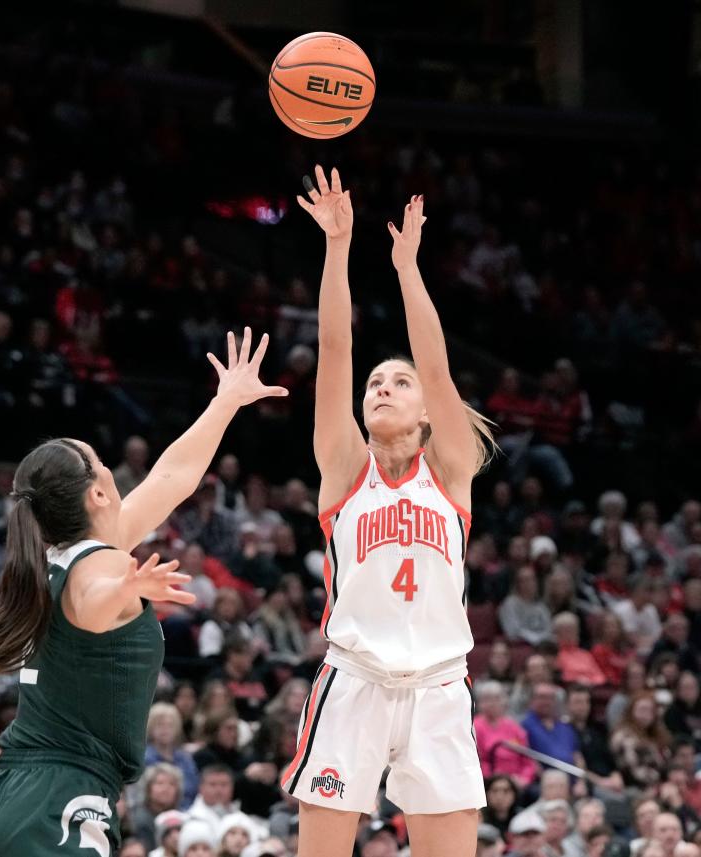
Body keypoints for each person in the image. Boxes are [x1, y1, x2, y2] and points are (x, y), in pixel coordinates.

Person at [0, 328, 286, 856]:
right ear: (98, 491)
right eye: (100, 461)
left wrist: (227, 400)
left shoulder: (65, 557)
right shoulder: (101, 565)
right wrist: (125, 586)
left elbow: (173, 475)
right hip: (58, 803)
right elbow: (91, 603)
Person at [288, 169, 493, 856]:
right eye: (377, 383)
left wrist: (407, 268)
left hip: (439, 684)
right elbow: (336, 352)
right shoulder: (348, 467)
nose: (383, 387)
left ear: (427, 410)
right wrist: (338, 246)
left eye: (398, 382)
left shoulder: (451, 470)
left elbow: (438, 370)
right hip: (355, 679)